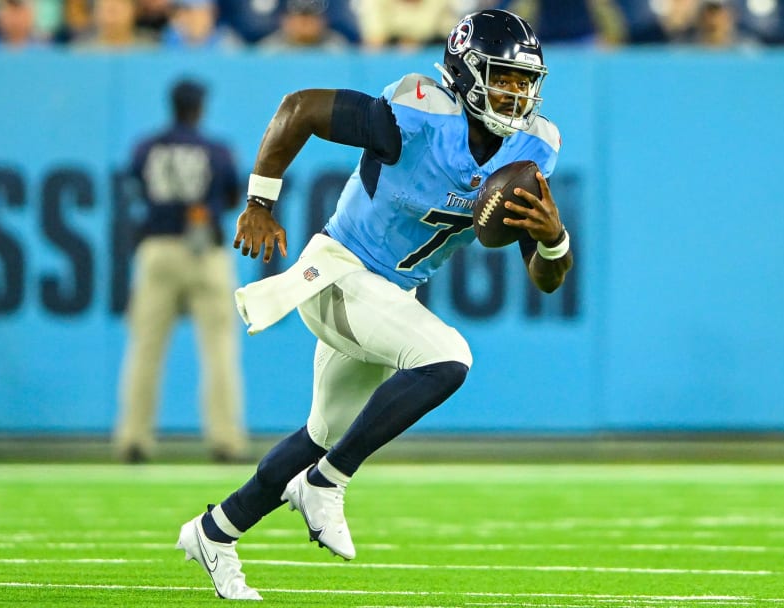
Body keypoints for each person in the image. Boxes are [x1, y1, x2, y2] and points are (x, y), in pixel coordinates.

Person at [175, 8, 573, 600]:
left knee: (320, 432)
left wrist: (552, 238)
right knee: (448, 357)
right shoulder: (418, 115)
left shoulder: (532, 149)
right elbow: (299, 108)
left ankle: (215, 530)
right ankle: (328, 483)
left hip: (388, 295)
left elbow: (547, 280)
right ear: (465, 72)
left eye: (523, 82)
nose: (514, 95)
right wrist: (260, 201)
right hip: (338, 272)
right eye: (501, 78)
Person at [115, 79, 250, 465]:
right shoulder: (216, 150)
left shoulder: (146, 147)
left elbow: (137, 186)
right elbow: (228, 196)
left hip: (158, 247)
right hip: (205, 249)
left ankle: (134, 439)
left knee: (145, 347)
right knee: (220, 349)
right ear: (200, 108)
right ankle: (226, 440)